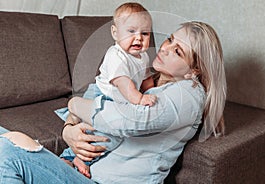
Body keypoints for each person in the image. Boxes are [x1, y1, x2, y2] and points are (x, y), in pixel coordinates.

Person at [0, 21, 227, 184]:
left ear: (194, 70)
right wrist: (69, 129)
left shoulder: (189, 94)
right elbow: (98, 94)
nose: (165, 48)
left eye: (177, 51)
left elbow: (129, 121)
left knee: (7, 151)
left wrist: (73, 105)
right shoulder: (147, 79)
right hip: (78, 169)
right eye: (169, 39)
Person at [56, 2, 157, 178]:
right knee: (102, 135)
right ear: (115, 33)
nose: (139, 38)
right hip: (102, 96)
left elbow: (146, 78)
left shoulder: (144, 56)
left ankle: (71, 157)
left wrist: (152, 92)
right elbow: (124, 83)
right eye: (131, 31)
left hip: (120, 99)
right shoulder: (116, 55)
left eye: (145, 33)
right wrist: (140, 99)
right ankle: (77, 158)